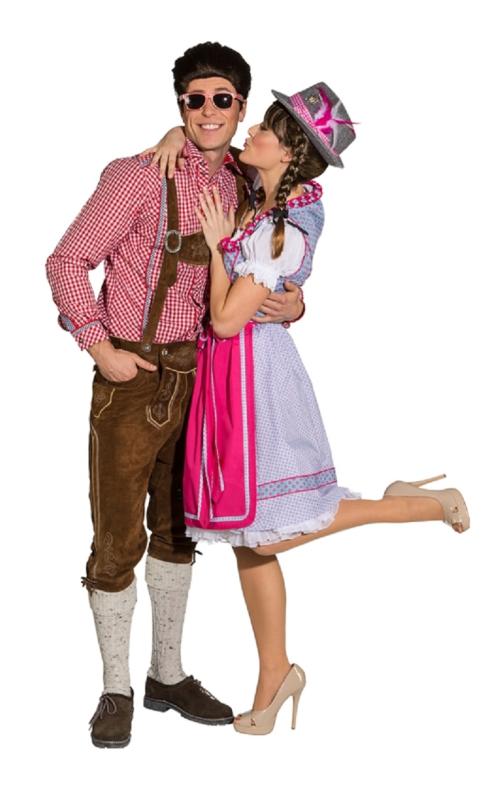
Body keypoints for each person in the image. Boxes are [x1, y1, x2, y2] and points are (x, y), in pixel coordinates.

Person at [149, 82, 471, 736]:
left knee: (270, 530)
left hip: (257, 383)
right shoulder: (260, 193)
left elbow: (225, 318)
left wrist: (220, 248)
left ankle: (421, 505)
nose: (249, 133)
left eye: (266, 130)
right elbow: (207, 142)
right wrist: (174, 134)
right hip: (228, 377)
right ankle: (275, 674)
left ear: (289, 154)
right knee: (249, 539)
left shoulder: (282, 231)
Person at [45, 41, 305, 749]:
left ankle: (166, 674)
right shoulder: (138, 174)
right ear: (180, 105)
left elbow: (271, 267)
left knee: (180, 532)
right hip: (134, 380)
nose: (208, 111)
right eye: (195, 100)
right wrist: (99, 347)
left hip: (207, 379)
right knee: (116, 540)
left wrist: (295, 304)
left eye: (223, 99)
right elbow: (67, 260)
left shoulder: (248, 184)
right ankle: (116, 688)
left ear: (242, 108)